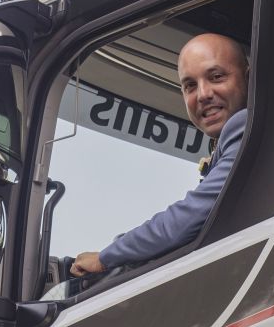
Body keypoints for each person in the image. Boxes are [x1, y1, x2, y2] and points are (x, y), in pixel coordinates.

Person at [70, 33, 249, 276]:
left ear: (248, 78)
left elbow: (187, 219)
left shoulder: (244, 124)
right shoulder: (227, 142)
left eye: (216, 77)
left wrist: (107, 256)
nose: (204, 94)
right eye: (190, 86)